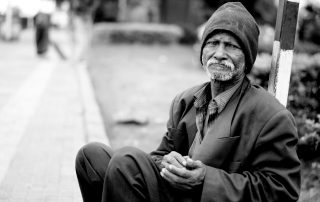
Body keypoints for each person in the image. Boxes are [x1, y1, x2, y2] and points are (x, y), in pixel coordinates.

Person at [75, 2, 301, 202]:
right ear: (202, 51)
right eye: (213, 43)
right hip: (175, 193)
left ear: (247, 57)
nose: (219, 53)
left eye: (231, 46)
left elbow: (281, 190)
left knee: (126, 162)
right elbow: (159, 155)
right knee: (91, 157)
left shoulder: (271, 116)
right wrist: (166, 163)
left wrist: (205, 180)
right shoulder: (185, 101)